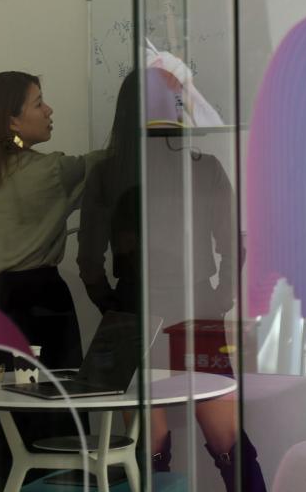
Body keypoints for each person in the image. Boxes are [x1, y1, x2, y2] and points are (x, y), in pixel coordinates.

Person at [77, 69, 267, 492]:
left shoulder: (106, 174)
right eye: (179, 99)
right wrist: (219, 298)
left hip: (135, 311)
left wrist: (113, 306)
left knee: (148, 448)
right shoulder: (205, 169)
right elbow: (234, 245)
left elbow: (89, 261)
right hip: (194, 307)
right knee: (228, 441)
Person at [0, 71, 100, 491]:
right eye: (39, 103)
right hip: (42, 306)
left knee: (0, 419)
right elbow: (108, 162)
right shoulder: (50, 172)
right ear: (12, 120)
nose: (49, 110)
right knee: (56, 418)